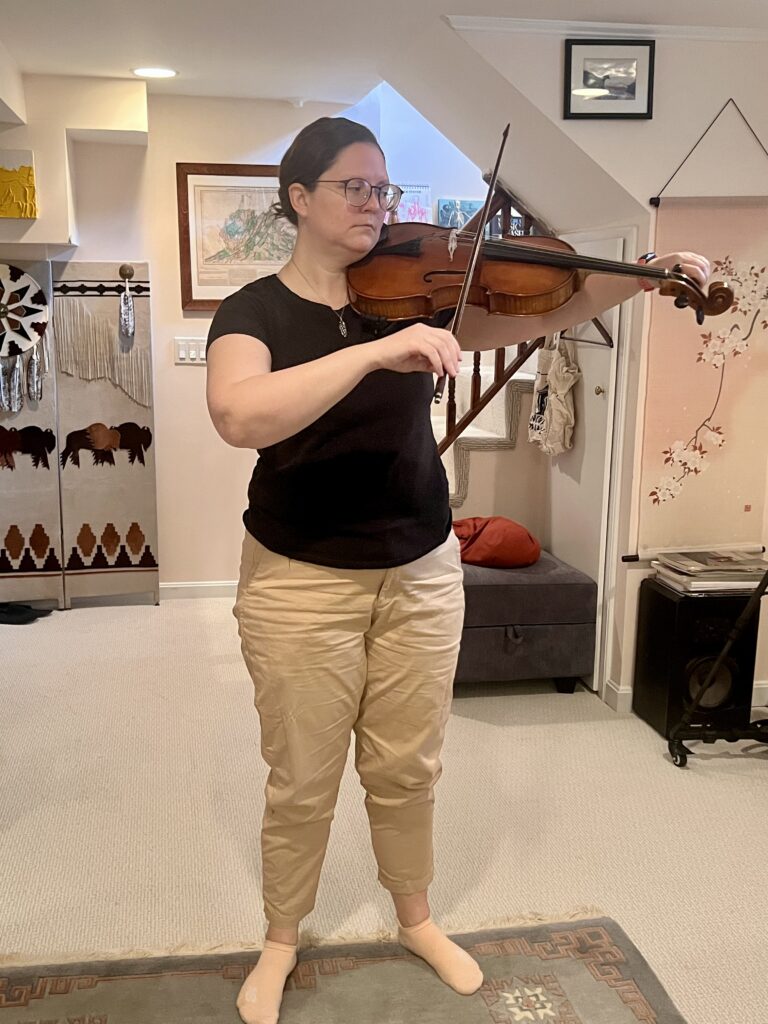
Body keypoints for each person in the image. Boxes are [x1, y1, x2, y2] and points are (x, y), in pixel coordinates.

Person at [205, 116, 711, 1024]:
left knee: (408, 766)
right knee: (303, 775)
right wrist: (369, 351)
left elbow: (549, 303)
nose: (376, 205)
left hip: (423, 566)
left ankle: (416, 917)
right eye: (355, 187)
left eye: (383, 188)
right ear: (300, 199)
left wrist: (647, 275)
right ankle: (282, 938)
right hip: (300, 576)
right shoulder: (256, 312)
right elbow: (240, 416)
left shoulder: (416, 292)